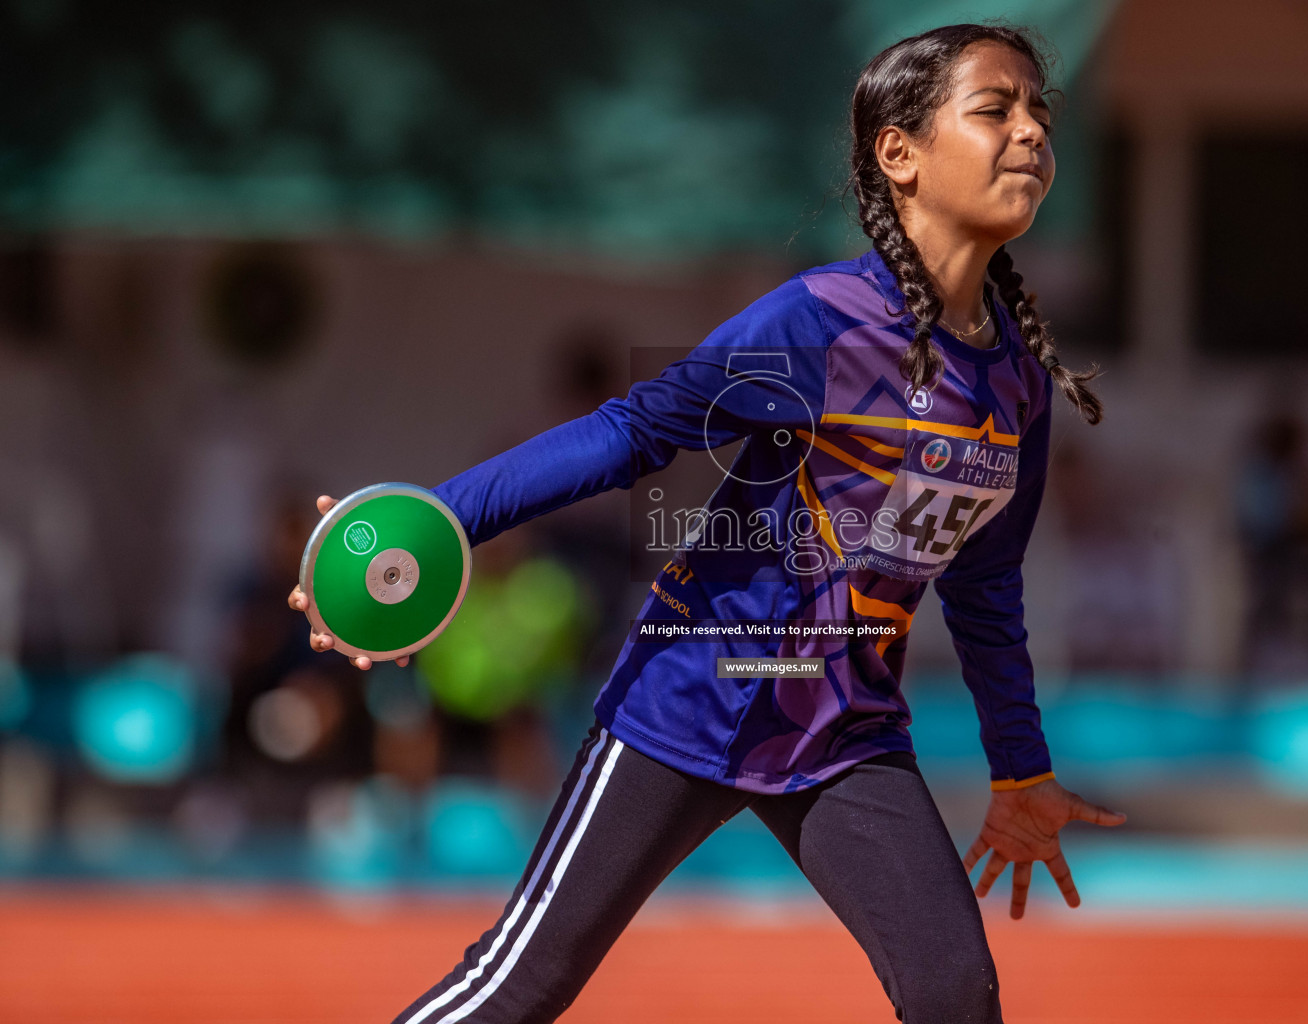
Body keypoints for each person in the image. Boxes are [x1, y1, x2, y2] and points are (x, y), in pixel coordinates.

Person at [288, 23, 1126, 1023]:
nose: (1030, 131)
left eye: (1041, 111)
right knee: (518, 986)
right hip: (690, 700)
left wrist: (1021, 767)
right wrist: (439, 520)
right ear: (899, 154)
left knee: (956, 993)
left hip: (846, 733)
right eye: (995, 109)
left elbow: (986, 592)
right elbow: (633, 434)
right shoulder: (815, 323)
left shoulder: (1019, 388)